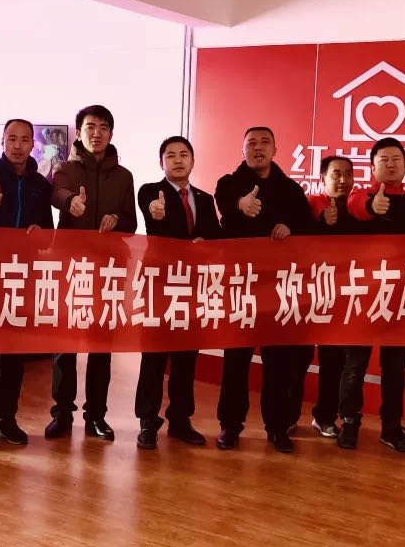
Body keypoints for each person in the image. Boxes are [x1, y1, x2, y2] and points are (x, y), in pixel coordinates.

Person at [215, 126, 314, 453]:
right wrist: (240, 204)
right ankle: (230, 426)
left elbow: (307, 228)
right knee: (236, 361)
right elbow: (225, 204)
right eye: (251, 143)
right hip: (241, 286)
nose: (258, 148)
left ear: (275, 149)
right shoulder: (228, 184)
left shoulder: (291, 189)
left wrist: (291, 228)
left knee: (278, 363)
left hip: (278, 288)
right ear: (242, 150)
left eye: (264, 143)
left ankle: (277, 427)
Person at [47, 104, 137, 442]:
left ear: (111, 133)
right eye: (89, 127)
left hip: (108, 269)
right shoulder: (64, 168)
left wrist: (117, 220)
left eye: (103, 127)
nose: (96, 133)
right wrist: (71, 201)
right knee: (64, 345)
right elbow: (56, 192)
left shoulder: (124, 176)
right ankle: (62, 414)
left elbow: (131, 221)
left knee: (101, 347)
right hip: (71, 269)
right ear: (79, 132)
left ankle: (96, 416)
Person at [337, 137, 405, 453]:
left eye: (396, 159)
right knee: (354, 367)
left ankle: (391, 428)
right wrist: (371, 207)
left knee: (395, 369)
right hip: (361, 298)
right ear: (373, 166)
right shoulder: (359, 197)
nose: (390, 165)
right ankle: (349, 423)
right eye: (384, 159)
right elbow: (357, 207)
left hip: (399, 300)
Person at [0, 118, 54, 450]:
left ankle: (8, 419)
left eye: (24, 139)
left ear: (33, 144)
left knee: (15, 352)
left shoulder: (40, 184)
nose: (17, 145)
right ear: (2, 141)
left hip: (23, 275)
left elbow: (47, 233)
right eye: (11, 138)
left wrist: (41, 233)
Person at [134, 136, 220, 450]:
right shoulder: (150, 191)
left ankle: (181, 421)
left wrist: (206, 243)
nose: (178, 160)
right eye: (171, 155)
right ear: (162, 163)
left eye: (184, 154)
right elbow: (151, 210)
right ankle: (147, 422)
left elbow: (216, 236)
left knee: (186, 358)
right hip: (159, 286)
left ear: (193, 160)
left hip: (193, 287)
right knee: (153, 358)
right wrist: (155, 211)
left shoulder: (205, 199)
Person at [305, 155, 365, 439]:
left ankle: (328, 416)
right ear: (322, 179)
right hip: (311, 296)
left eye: (348, 174)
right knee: (303, 360)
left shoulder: (359, 209)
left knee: (337, 361)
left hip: (346, 297)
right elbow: (301, 228)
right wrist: (320, 220)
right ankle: (290, 418)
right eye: (336, 174)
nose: (343, 180)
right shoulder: (311, 205)